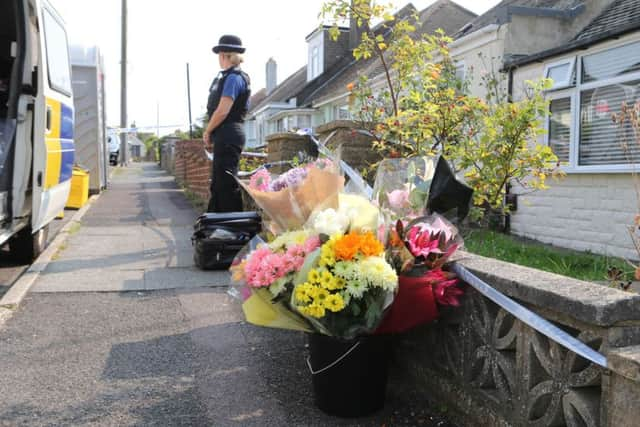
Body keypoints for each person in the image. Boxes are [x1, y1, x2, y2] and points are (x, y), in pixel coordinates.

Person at [203, 34, 251, 212]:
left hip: (229, 133)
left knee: (225, 183)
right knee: (219, 182)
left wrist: (207, 131)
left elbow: (223, 110)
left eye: (220, 55)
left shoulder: (234, 78)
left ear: (225, 55)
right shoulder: (227, 77)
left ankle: (230, 226)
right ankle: (217, 223)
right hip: (226, 134)